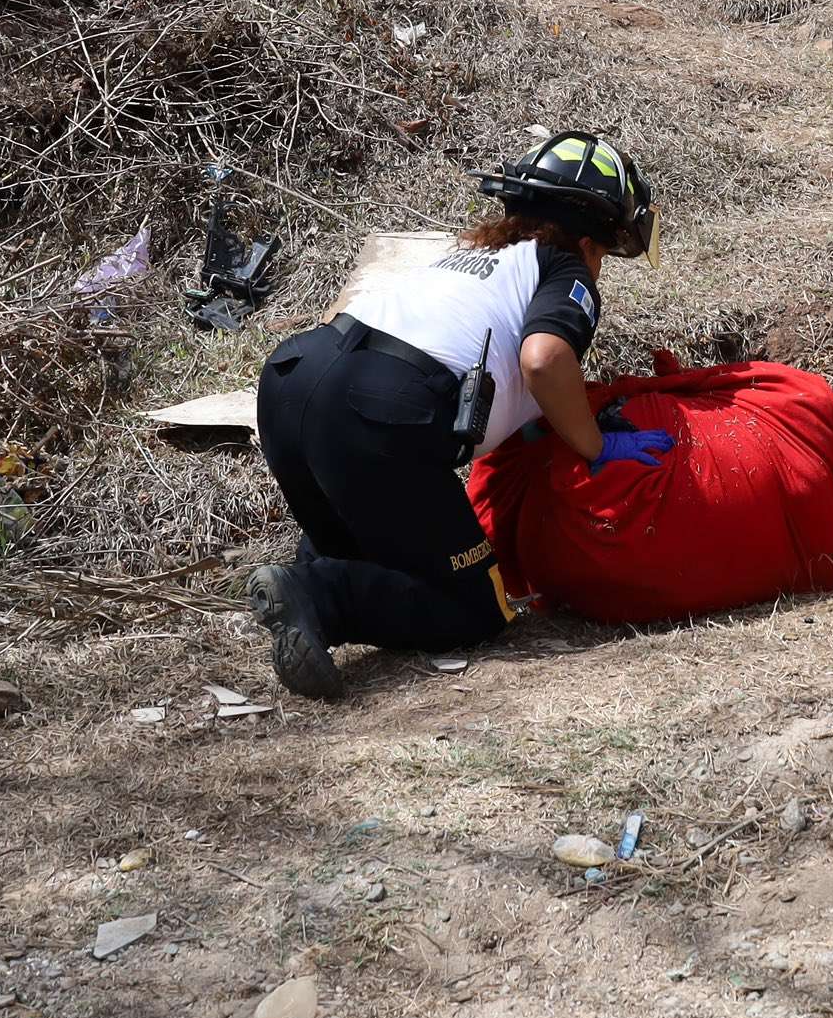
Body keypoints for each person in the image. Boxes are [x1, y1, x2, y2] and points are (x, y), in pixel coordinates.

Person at [246, 131, 675, 698]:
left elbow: (361, 316)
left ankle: (311, 583)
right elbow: (544, 361)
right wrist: (596, 446)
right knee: (478, 606)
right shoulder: (566, 267)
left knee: (364, 544)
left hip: (292, 380)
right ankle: (318, 595)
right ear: (595, 237)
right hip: (375, 411)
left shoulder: (466, 252)